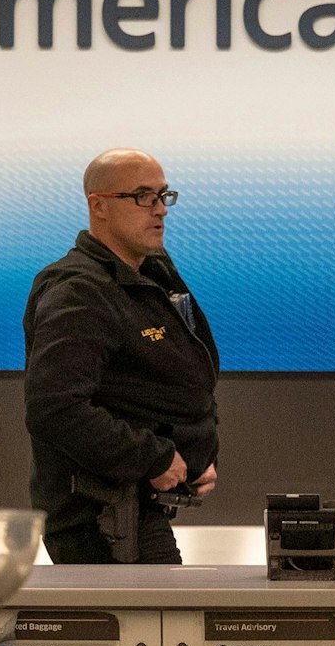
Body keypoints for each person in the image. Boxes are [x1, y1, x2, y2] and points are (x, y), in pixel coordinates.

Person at [23, 148, 220, 564]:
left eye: (164, 196)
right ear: (99, 206)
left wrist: (196, 451)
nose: (160, 210)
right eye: (143, 197)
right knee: (157, 625)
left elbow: (155, 384)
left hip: (139, 507)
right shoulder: (78, 291)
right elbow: (55, 408)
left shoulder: (148, 274)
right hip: (100, 521)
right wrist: (156, 456)